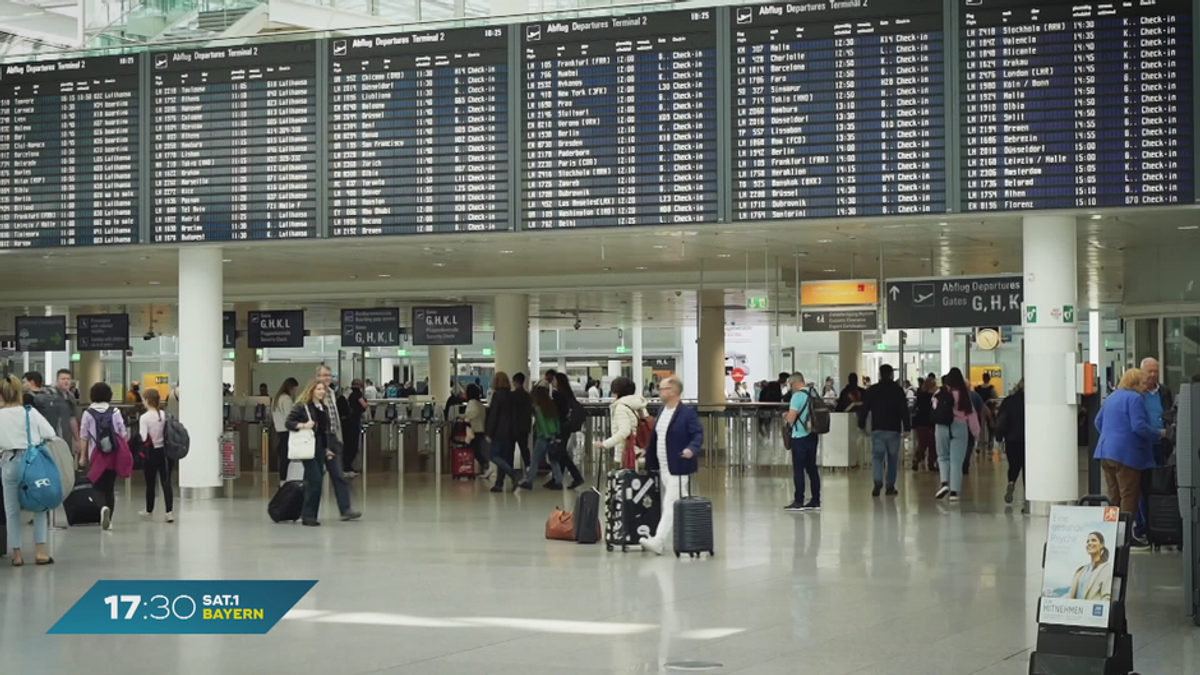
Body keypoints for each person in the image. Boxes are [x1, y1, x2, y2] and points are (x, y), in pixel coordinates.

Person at [640, 375, 703, 555]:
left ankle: (659, 541)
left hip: (679, 466)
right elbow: (657, 437)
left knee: (670, 503)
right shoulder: (662, 411)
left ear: (673, 391)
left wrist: (691, 449)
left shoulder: (686, 413)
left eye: (662, 389)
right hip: (664, 466)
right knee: (676, 502)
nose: (659, 392)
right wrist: (647, 451)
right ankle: (691, 535)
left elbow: (697, 434)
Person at [1095, 368, 1163, 533]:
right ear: (1135, 383)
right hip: (1126, 455)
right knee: (1129, 496)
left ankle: (1111, 533)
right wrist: (1160, 433)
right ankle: (1126, 535)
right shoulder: (1135, 398)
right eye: (1142, 382)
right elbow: (1139, 426)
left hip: (1105, 452)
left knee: (1114, 497)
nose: (1145, 385)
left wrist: (1111, 435)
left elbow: (1097, 421)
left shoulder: (1112, 397)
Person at [285, 380, 360, 526]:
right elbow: (289, 422)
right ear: (311, 390)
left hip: (319, 447)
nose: (321, 392)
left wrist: (326, 449)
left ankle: (309, 513)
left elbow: (323, 431)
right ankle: (308, 515)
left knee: (313, 481)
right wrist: (304, 425)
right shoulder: (302, 406)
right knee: (315, 480)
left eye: (323, 390)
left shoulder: (323, 408)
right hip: (307, 447)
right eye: (318, 389)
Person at [0, 375, 56, 565]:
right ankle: (40, 552)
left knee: (12, 510)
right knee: (39, 504)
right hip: (32, 462)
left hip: (8, 461)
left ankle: (17, 555)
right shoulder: (29, 412)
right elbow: (50, 433)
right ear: (19, 393)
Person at [80, 382, 129, 531]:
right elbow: (123, 433)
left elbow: (84, 436)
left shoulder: (88, 413)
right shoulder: (115, 412)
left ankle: (102, 508)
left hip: (96, 454)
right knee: (109, 488)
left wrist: (82, 457)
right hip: (113, 454)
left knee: (97, 486)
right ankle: (110, 520)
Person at [858, 364, 911, 497]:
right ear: (892, 374)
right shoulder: (898, 390)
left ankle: (877, 481)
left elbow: (864, 408)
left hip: (878, 429)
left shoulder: (873, 390)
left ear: (880, 374)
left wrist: (861, 425)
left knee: (877, 457)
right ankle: (890, 486)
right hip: (893, 429)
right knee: (892, 458)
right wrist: (907, 427)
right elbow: (904, 410)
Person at [315, 365, 359, 519]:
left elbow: (335, 417)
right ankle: (307, 511)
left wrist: (338, 439)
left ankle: (345, 509)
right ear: (317, 377)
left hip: (333, 438)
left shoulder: (332, 393)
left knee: (338, 475)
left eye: (329, 375)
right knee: (314, 477)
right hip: (319, 439)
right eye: (323, 375)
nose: (327, 378)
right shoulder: (313, 394)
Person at [933, 368, 980, 502]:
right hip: (960, 427)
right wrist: (976, 434)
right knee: (956, 461)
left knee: (942, 457)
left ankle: (944, 483)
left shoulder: (939, 392)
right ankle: (954, 492)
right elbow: (971, 415)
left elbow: (934, 408)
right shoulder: (964, 395)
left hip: (941, 427)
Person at [784, 372, 821, 512]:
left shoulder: (797, 396)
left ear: (794, 383)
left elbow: (791, 419)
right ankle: (815, 499)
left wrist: (785, 415)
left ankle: (799, 500)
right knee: (812, 468)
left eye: (791, 385)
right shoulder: (813, 393)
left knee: (798, 469)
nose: (791, 388)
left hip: (799, 436)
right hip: (813, 434)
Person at [23, 370, 79, 460]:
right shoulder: (48, 395)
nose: (66, 381)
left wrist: (77, 439)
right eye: (63, 379)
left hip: (66, 436)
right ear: (57, 381)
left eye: (68, 379)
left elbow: (72, 418)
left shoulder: (70, 397)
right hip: (50, 437)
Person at [137, 388, 174, 523]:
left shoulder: (144, 417)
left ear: (147, 400)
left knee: (150, 483)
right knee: (166, 482)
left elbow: (143, 436)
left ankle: (149, 509)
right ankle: (169, 512)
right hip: (164, 452)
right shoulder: (163, 414)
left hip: (150, 453)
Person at [519, 385, 565, 490]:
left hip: (543, 436)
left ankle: (529, 481)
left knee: (535, 459)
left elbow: (542, 423)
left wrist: (547, 435)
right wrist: (555, 434)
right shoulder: (551, 405)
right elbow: (556, 421)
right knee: (553, 460)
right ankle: (558, 481)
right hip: (553, 435)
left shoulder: (538, 408)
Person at [595, 376, 647, 465]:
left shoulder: (621, 407)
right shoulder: (639, 405)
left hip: (626, 454)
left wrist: (604, 444)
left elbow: (624, 431)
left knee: (625, 477)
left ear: (617, 392)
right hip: (641, 451)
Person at [484, 371, 521, 493]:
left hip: (499, 432)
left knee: (494, 455)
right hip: (511, 433)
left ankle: (513, 474)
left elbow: (494, 415)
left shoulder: (497, 395)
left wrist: (489, 432)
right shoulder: (512, 396)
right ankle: (499, 483)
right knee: (505, 458)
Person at [552, 372, 587, 489]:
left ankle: (574, 477)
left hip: (562, 426)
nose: (553, 382)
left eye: (555, 380)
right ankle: (558, 479)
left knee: (561, 453)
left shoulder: (558, 394)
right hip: (567, 425)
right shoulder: (568, 394)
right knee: (561, 452)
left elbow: (558, 413)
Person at [1140, 358, 1172, 465]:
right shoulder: (1137, 393)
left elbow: (1170, 411)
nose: (1153, 374)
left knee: (1160, 473)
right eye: (1150, 371)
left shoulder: (1164, 391)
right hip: (1143, 441)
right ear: (1142, 373)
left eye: (1155, 371)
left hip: (1162, 442)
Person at [1067, 532, 1113, 601]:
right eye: (1088, 541)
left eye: (1093, 540)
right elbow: (1070, 594)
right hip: (1076, 610)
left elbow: (1107, 596)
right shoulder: (1081, 570)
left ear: (1102, 545)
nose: (1089, 543)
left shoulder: (1106, 568)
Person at [272, 378, 300, 485]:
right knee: (286, 459)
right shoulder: (287, 399)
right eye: (294, 389)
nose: (294, 392)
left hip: (279, 430)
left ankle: (282, 480)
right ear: (290, 387)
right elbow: (290, 417)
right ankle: (284, 481)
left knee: (283, 457)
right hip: (287, 431)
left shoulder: (276, 398)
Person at [343, 379, 368, 477]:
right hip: (354, 423)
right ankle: (347, 467)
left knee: (348, 445)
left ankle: (347, 466)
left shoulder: (349, 394)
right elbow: (364, 405)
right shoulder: (358, 394)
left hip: (348, 422)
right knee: (352, 445)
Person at [463, 384, 489, 479]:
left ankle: (485, 466)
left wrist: (466, 418)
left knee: (474, 450)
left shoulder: (472, 403)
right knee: (477, 450)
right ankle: (484, 467)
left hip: (474, 430)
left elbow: (473, 413)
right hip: (480, 428)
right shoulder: (479, 403)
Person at [911, 377, 937, 472]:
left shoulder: (920, 395)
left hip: (920, 422)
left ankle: (916, 459)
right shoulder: (934, 397)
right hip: (930, 422)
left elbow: (915, 408)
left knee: (922, 444)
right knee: (932, 444)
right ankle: (931, 464)